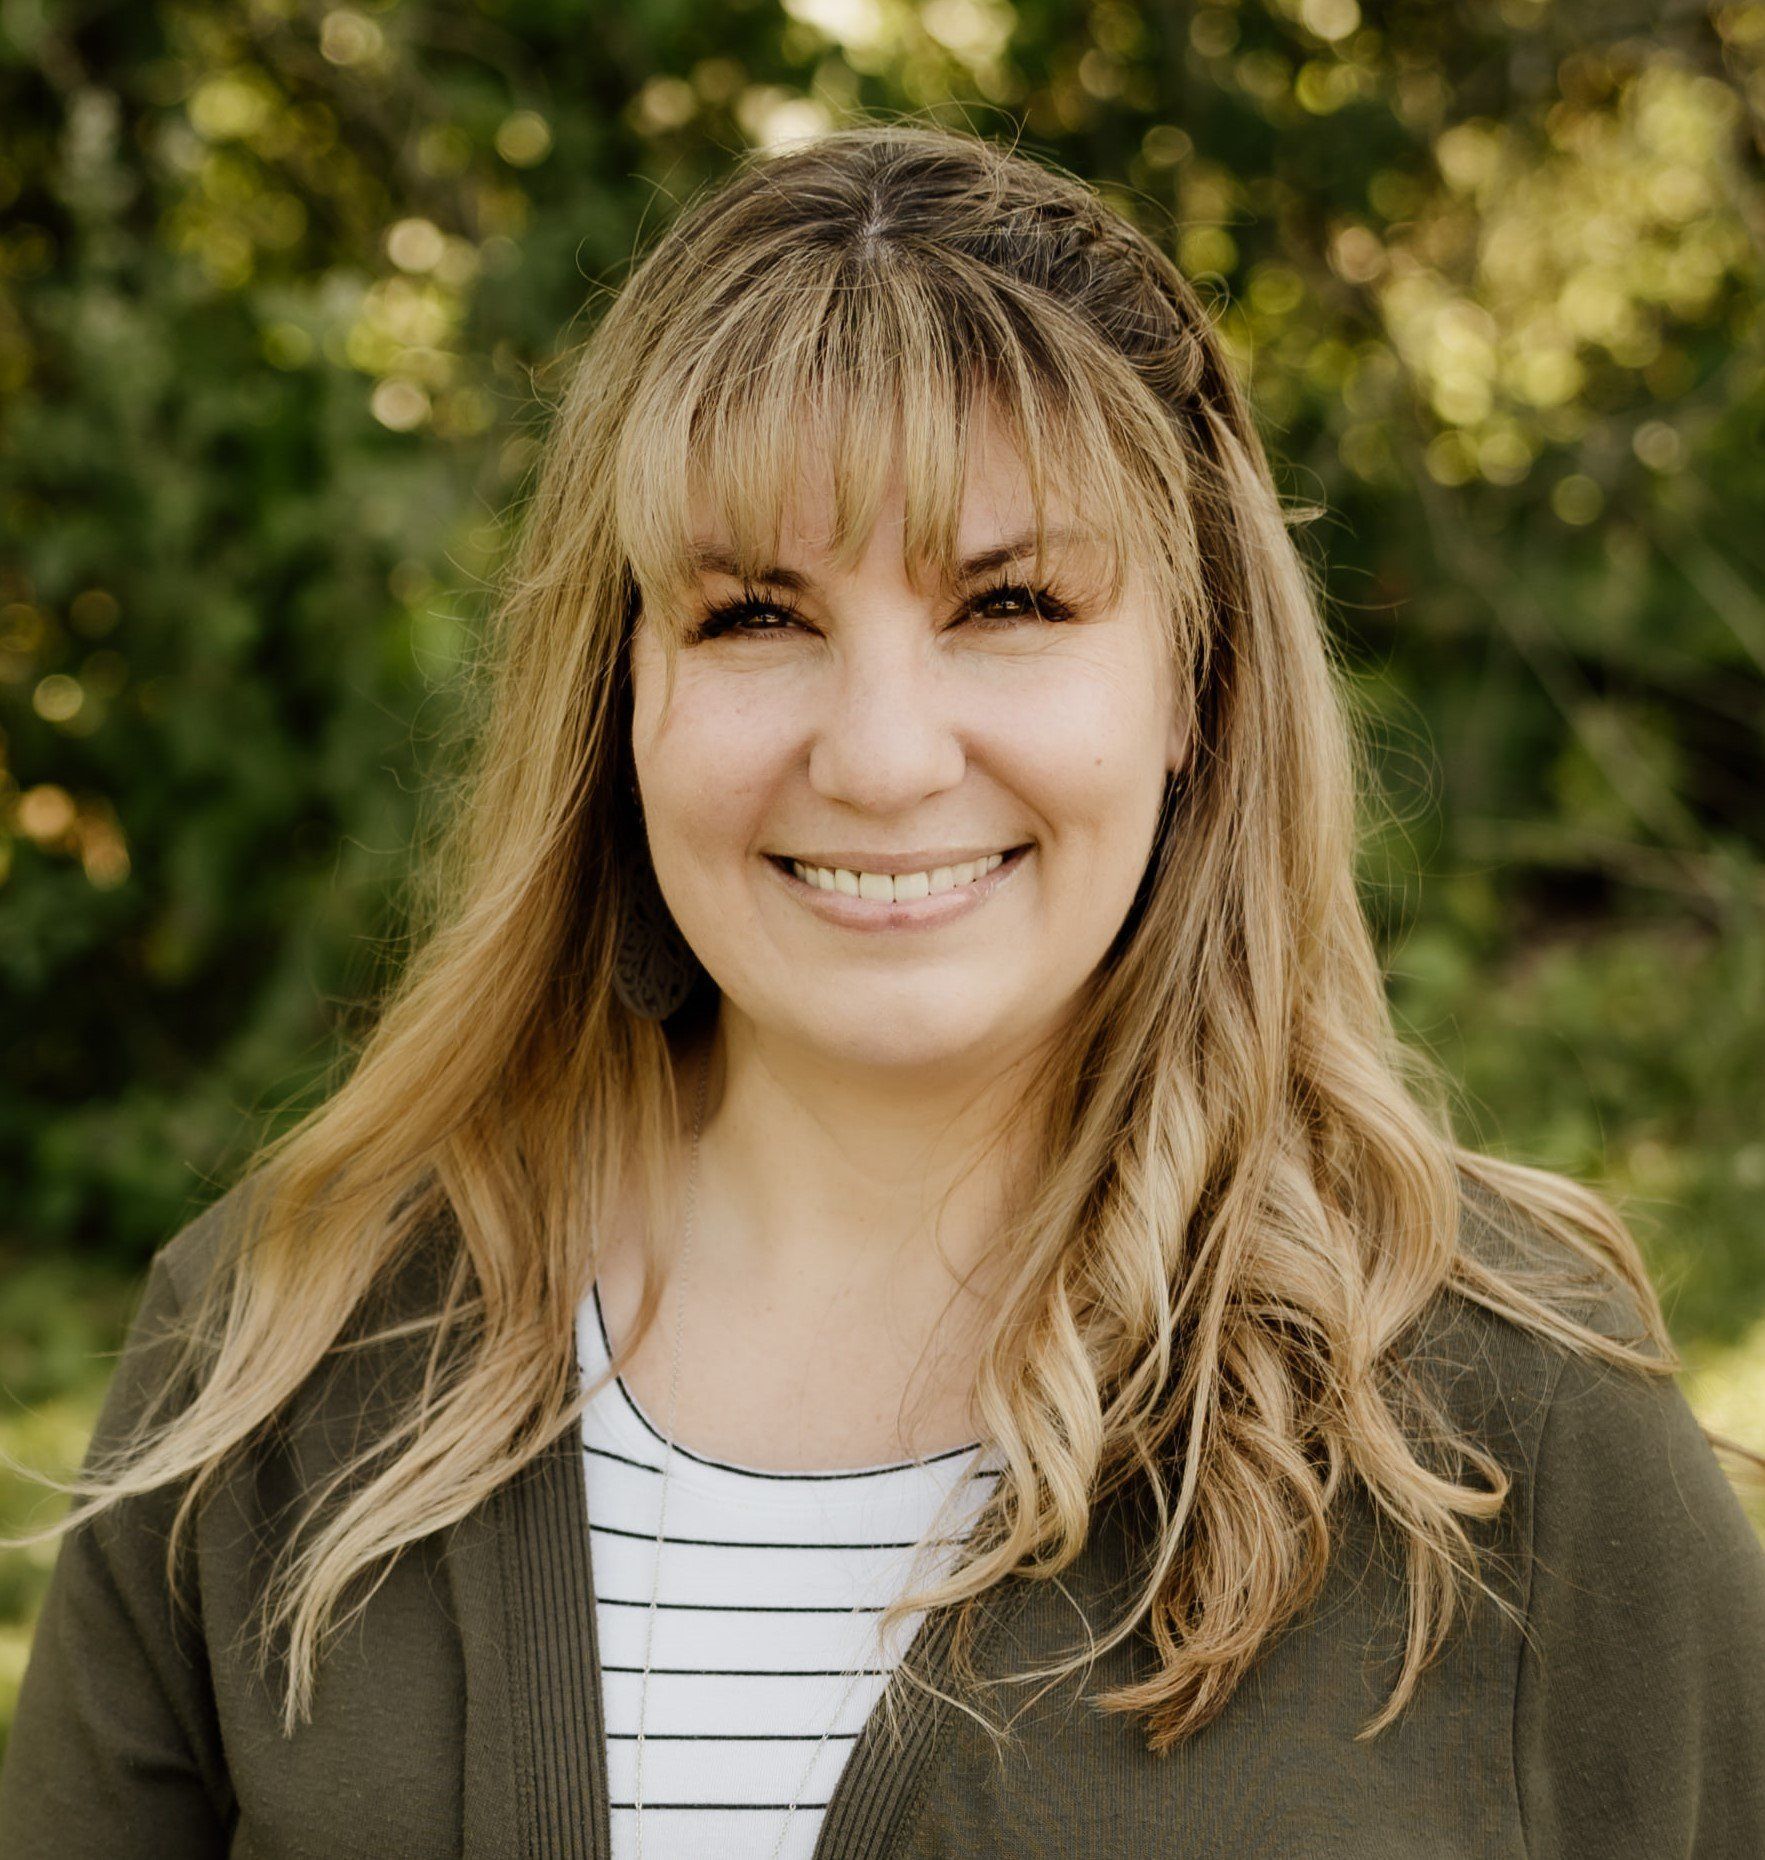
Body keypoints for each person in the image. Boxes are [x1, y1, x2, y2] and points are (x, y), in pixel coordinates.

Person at [3, 119, 1762, 1860]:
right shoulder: (288, 1347)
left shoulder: (1509, 1438)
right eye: (756, 617)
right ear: (618, 702)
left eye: (1006, 601)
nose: (881, 754)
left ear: (1196, 689)